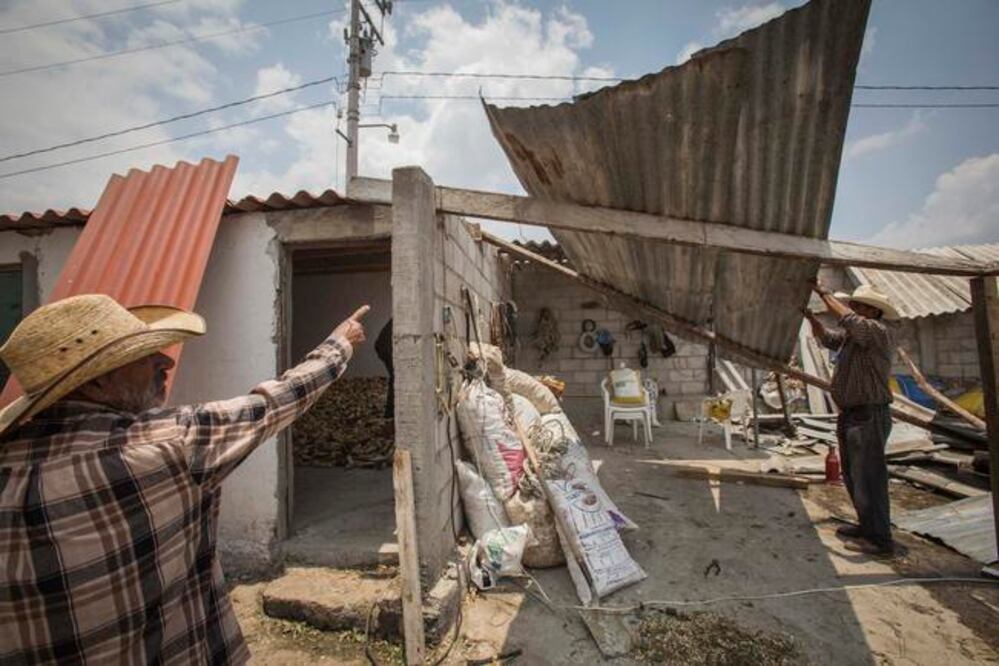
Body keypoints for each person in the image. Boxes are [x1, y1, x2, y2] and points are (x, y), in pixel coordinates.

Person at [0, 293, 369, 665]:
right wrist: (338, 345)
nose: (165, 361)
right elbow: (275, 403)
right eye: (142, 355)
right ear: (97, 381)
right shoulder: (169, 444)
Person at [802, 281, 900, 555]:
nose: (852, 309)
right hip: (853, 415)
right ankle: (867, 526)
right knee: (855, 476)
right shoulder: (853, 339)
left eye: (858, 306)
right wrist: (812, 319)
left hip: (868, 414)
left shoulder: (878, 332)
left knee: (869, 477)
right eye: (853, 304)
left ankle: (880, 539)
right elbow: (827, 339)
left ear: (872, 311)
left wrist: (823, 292)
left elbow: (848, 319)